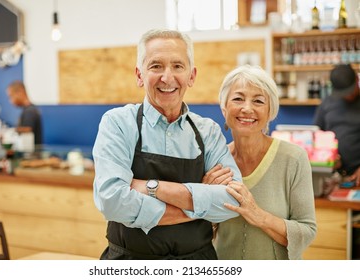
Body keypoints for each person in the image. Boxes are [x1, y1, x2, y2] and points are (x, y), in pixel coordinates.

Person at [92, 29, 242, 260]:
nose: (167, 77)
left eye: (177, 66)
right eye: (156, 66)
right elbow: (111, 201)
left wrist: (152, 187)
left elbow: (233, 198)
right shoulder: (118, 123)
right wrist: (199, 204)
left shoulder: (208, 131)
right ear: (139, 75)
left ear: (191, 76)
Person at [211, 65, 316, 259]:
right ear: (224, 107)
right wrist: (204, 200)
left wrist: (257, 215)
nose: (247, 108)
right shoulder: (214, 160)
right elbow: (204, 232)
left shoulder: (294, 159)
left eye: (258, 101)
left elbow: (307, 230)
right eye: (238, 99)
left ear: (270, 111)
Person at [313, 64, 360, 187]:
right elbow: (317, 135)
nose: (347, 95)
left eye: (350, 91)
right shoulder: (327, 103)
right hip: (333, 176)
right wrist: (327, 155)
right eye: (343, 93)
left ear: (357, 79)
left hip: (357, 174)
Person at [6, 81, 43, 145]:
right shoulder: (27, 110)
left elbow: (27, 129)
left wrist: (8, 132)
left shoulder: (30, 111)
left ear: (20, 92)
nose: (10, 101)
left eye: (11, 96)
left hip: (32, 153)